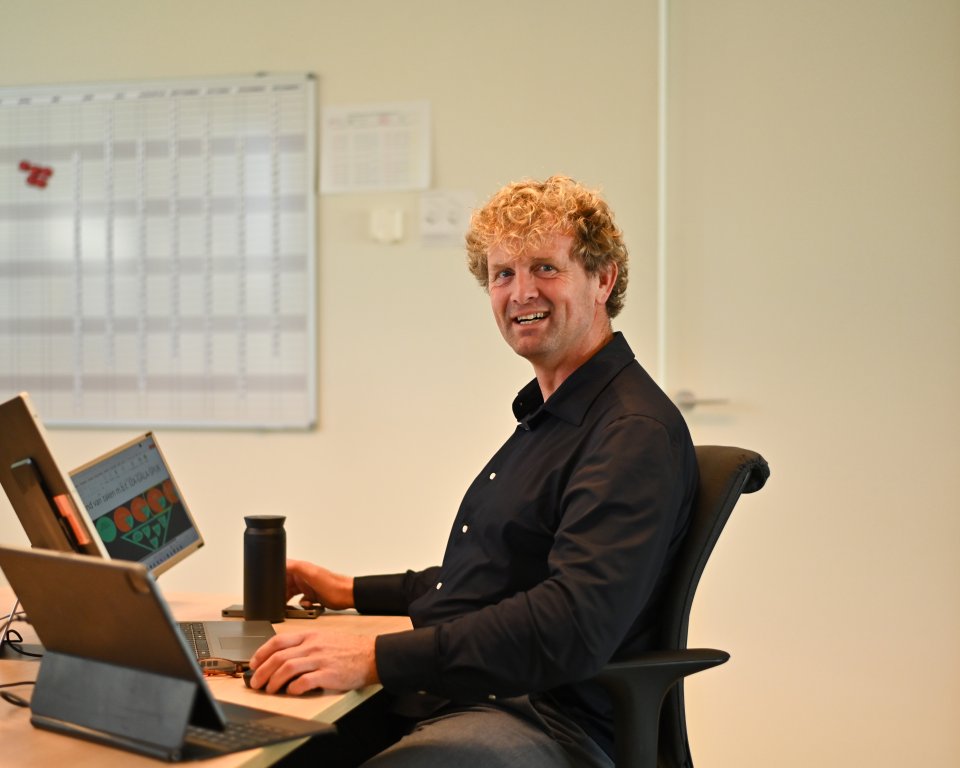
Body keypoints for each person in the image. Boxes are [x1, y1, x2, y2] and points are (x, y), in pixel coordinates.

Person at [248, 175, 698, 767]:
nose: (520, 292)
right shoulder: (555, 416)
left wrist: (375, 657)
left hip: (548, 722)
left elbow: (569, 624)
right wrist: (350, 592)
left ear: (603, 279)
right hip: (478, 696)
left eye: (545, 267)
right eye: (502, 274)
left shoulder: (630, 432)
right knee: (267, 747)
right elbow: (496, 574)